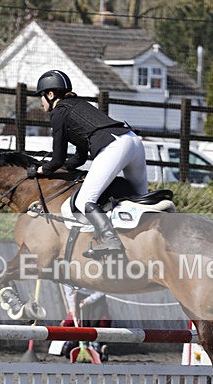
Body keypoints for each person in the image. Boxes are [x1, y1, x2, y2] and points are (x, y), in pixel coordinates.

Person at [33, 70, 148, 258]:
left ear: (51, 94)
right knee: (141, 199)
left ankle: (110, 239)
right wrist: (64, 168)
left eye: (41, 96)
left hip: (115, 146)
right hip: (132, 140)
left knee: (84, 200)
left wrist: (42, 169)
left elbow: (57, 158)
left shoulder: (59, 112)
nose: (41, 102)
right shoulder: (79, 105)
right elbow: (79, 157)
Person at [59, 285, 112, 360]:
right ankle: (82, 346)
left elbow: (103, 289)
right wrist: (72, 307)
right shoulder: (69, 279)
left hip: (98, 295)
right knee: (81, 323)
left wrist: (88, 300)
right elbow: (68, 289)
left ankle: (96, 348)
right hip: (81, 296)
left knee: (97, 323)